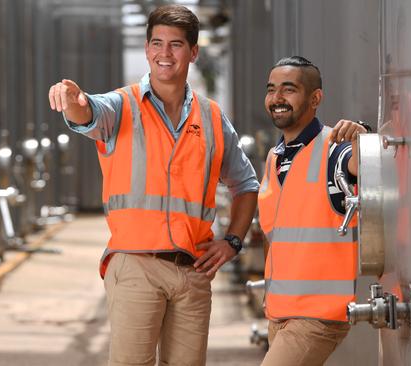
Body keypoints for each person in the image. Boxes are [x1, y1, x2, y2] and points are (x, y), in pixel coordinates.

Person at [48, 5, 259, 366]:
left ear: (193, 52)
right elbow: (89, 114)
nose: (165, 53)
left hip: (193, 271)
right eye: (157, 43)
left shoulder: (211, 117)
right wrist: (76, 103)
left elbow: (246, 184)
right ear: (146, 49)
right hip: (136, 267)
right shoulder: (121, 105)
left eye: (175, 44)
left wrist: (233, 242)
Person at [258, 56, 368, 366]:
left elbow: (362, 165)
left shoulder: (336, 149)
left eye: (288, 89)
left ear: (315, 98)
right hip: (279, 314)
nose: (277, 99)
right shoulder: (274, 158)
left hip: (318, 315)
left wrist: (362, 135)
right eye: (271, 89)